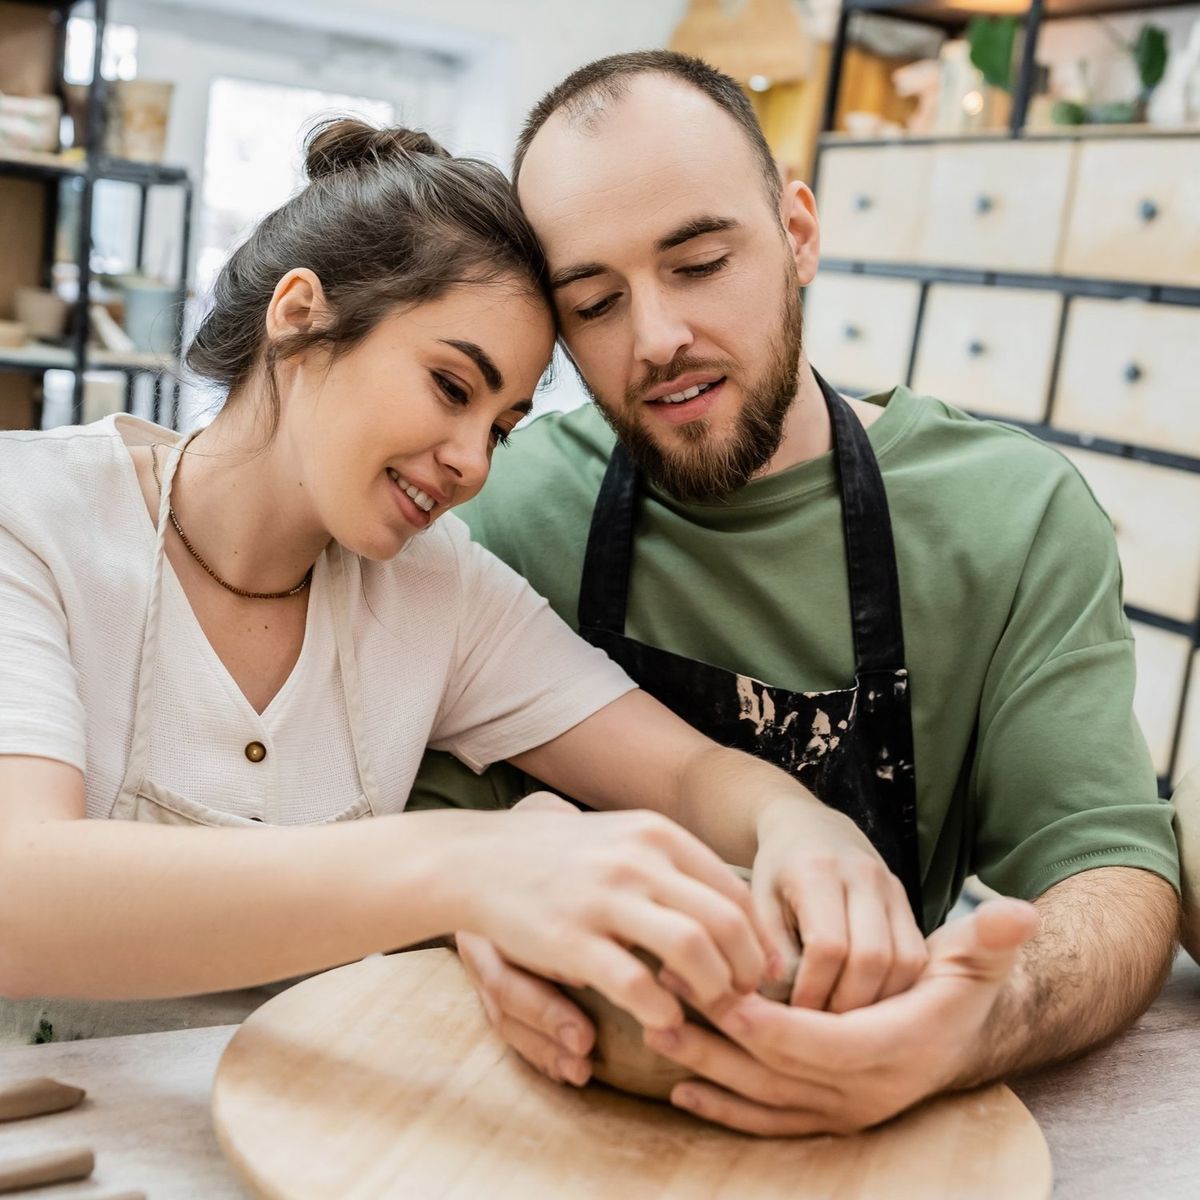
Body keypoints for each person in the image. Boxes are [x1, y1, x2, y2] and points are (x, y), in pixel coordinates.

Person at [0, 118, 925, 1047]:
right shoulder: (30, 517)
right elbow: (19, 897)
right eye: (452, 387)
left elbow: (685, 776)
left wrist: (799, 828)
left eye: (502, 426)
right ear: (299, 318)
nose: (471, 464)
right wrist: (469, 865)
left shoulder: (435, 591)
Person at [409, 52, 1182, 1133]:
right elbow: (421, 837)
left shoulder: (1013, 517)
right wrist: (473, 913)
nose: (656, 339)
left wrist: (980, 1026)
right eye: (594, 302)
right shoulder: (503, 509)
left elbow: (1113, 872)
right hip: (559, 1108)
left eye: (700, 262)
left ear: (798, 234)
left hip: (867, 1115)